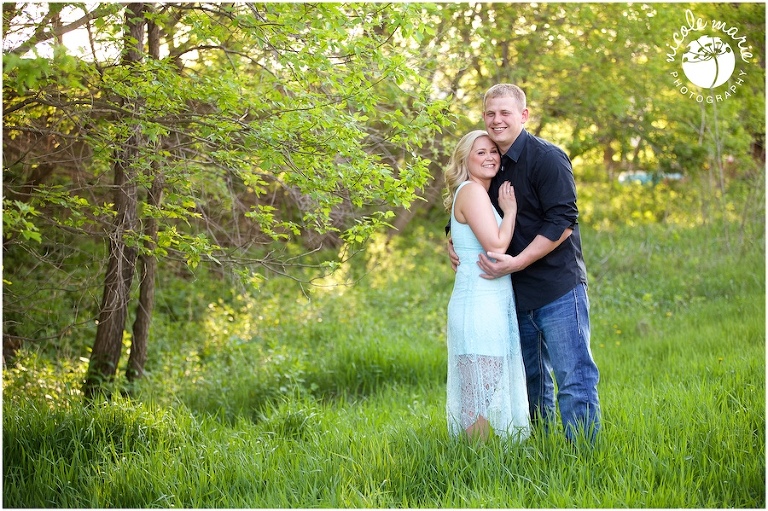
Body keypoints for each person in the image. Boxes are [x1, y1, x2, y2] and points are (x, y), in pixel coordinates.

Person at [448, 84, 601, 443]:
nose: (497, 120)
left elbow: (563, 220)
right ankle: (542, 450)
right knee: (531, 383)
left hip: (556, 287)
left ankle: (584, 457)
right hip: (512, 295)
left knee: (574, 377)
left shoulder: (547, 157)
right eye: (490, 113)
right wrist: (451, 241)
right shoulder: (491, 162)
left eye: (505, 112)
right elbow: (470, 212)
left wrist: (517, 262)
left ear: (524, 115)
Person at [443, 129, 531, 442]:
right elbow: (495, 246)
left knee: (481, 393)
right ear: (465, 159)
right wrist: (510, 212)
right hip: (477, 306)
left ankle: (475, 462)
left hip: (487, 303)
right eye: (480, 152)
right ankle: (473, 465)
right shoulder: (472, 191)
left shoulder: (476, 193)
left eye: (493, 151)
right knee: (476, 398)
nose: (490, 157)